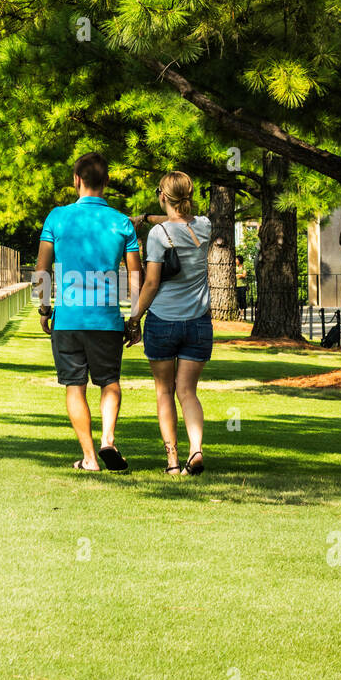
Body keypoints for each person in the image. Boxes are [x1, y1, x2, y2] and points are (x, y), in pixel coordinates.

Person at [35, 152, 143, 472]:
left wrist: (44, 308)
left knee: (74, 386)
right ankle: (108, 439)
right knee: (109, 382)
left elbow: (42, 268)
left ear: (76, 180)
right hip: (106, 319)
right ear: (106, 182)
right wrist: (135, 318)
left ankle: (90, 458)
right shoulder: (122, 222)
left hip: (68, 318)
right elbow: (135, 275)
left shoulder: (57, 217)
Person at [127, 171, 212, 475]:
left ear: (162, 196)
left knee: (165, 391)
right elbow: (182, 219)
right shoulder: (204, 226)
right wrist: (149, 216)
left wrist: (135, 317)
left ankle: (173, 461)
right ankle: (196, 449)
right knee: (188, 391)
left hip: (163, 320)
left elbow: (150, 284)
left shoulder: (157, 235)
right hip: (199, 322)